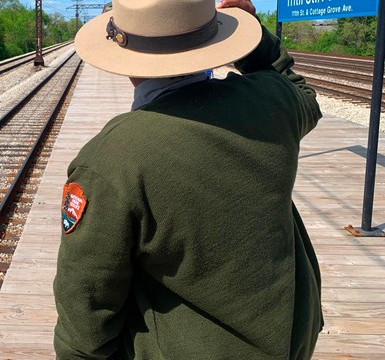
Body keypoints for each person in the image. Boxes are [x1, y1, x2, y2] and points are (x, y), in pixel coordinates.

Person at [53, 0, 324, 358]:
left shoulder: (110, 159)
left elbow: (85, 320)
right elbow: (299, 90)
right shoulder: (271, 103)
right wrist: (255, 36)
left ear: (126, 56)